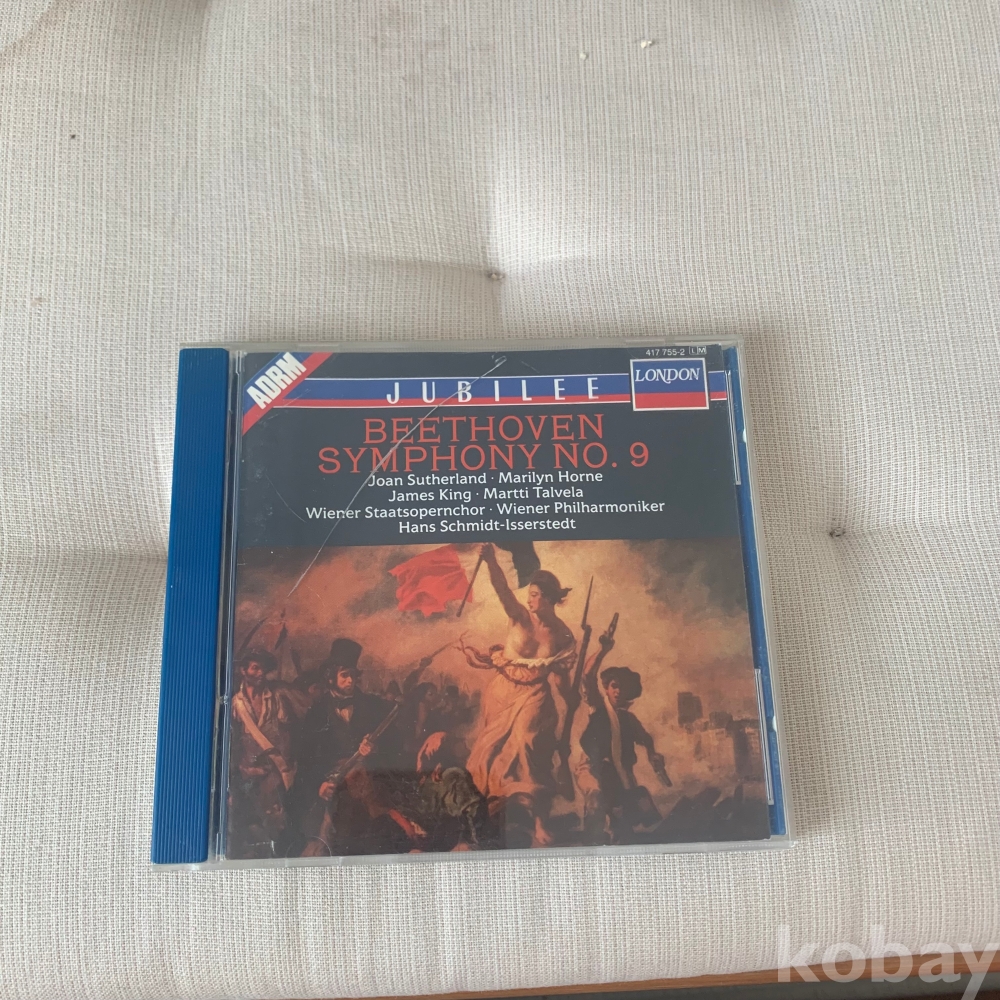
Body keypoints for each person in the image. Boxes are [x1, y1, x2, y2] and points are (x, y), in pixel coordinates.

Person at [461, 543, 576, 846]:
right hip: (502, 691)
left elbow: (561, 677)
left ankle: (539, 823)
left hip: (535, 694)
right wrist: (490, 560)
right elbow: (502, 589)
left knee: (529, 745)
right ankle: (491, 817)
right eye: (531, 593)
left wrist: (571, 696)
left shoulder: (563, 635)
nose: (530, 598)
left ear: (550, 598)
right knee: (490, 753)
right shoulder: (520, 616)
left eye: (536, 594)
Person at [294, 638, 409, 856]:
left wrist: (375, 747)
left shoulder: (374, 705)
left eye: (354, 675)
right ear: (331, 677)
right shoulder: (316, 712)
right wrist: (319, 785)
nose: (351, 681)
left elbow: (397, 742)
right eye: (345, 675)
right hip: (330, 785)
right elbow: (306, 759)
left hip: (369, 781)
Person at [577, 627, 670, 844]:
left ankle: (620, 835)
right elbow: (587, 676)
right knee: (596, 800)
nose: (618, 691)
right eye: (614, 686)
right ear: (607, 688)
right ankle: (592, 842)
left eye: (623, 688)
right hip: (592, 768)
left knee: (627, 814)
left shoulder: (629, 720)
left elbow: (646, 738)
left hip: (619, 773)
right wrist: (603, 650)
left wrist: (653, 754)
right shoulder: (599, 708)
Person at [228, 649, 309, 858]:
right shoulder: (235, 704)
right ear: (243, 670)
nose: (260, 673)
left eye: (263, 669)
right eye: (255, 668)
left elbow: (303, 721)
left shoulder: (278, 696)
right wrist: (243, 769)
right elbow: (232, 743)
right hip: (247, 776)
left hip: (277, 773)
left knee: (282, 824)